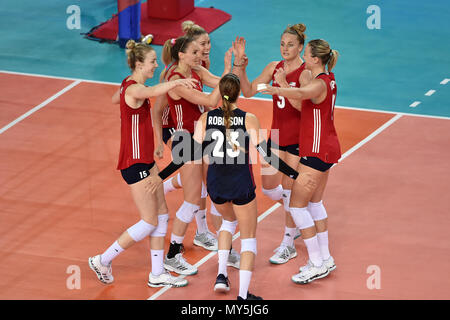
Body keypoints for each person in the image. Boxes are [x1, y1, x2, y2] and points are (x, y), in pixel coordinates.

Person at [146, 72, 300, 299]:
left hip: (216, 184)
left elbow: (187, 155)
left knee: (228, 222)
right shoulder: (249, 119)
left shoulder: (205, 119)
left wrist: (161, 176)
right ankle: (244, 296)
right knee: (248, 237)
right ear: (238, 93)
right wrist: (294, 174)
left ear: (220, 93)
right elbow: (266, 156)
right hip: (240, 183)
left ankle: (221, 275)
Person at [88, 40, 197, 287]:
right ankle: (102, 259)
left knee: (161, 216)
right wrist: (177, 81)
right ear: (139, 64)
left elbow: (116, 99)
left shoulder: (129, 85)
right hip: (134, 162)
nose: (156, 65)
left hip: (146, 160)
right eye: (152, 62)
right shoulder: (135, 90)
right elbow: (149, 93)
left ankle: (157, 273)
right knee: (149, 221)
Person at [259, 39, 340, 284]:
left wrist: (279, 87)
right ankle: (325, 258)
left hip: (315, 152)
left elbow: (301, 93)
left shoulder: (318, 84)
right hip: (326, 148)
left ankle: (315, 263)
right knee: (315, 204)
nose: (303, 56)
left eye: (306, 52)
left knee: (296, 206)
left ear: (315, 59)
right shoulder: (330, 78)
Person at [232, 24, 312, 265]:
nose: (285, 48)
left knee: (289, 190)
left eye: (290, 45)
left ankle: (288, 243)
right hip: (276, 137)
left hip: (298, 139)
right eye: (282, 44)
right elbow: (246, 92)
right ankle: (299, 211)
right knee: (268, 187)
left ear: (300, 47)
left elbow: (305, 109)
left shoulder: (305, 73)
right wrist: (241, 67)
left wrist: (282, 87)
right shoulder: (273, 67)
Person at [161, 35, 234, 276]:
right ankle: (172, 255)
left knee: (211, 188)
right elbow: (211, 99)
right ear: (181, 55)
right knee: (192, 199)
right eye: (194, 52)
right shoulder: (176, 81)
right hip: (185, 140)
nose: (199, 55)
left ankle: (216, 241)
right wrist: (225, 79)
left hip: (201, 135)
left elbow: (222, 84)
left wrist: (229, 69)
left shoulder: (196, 71)